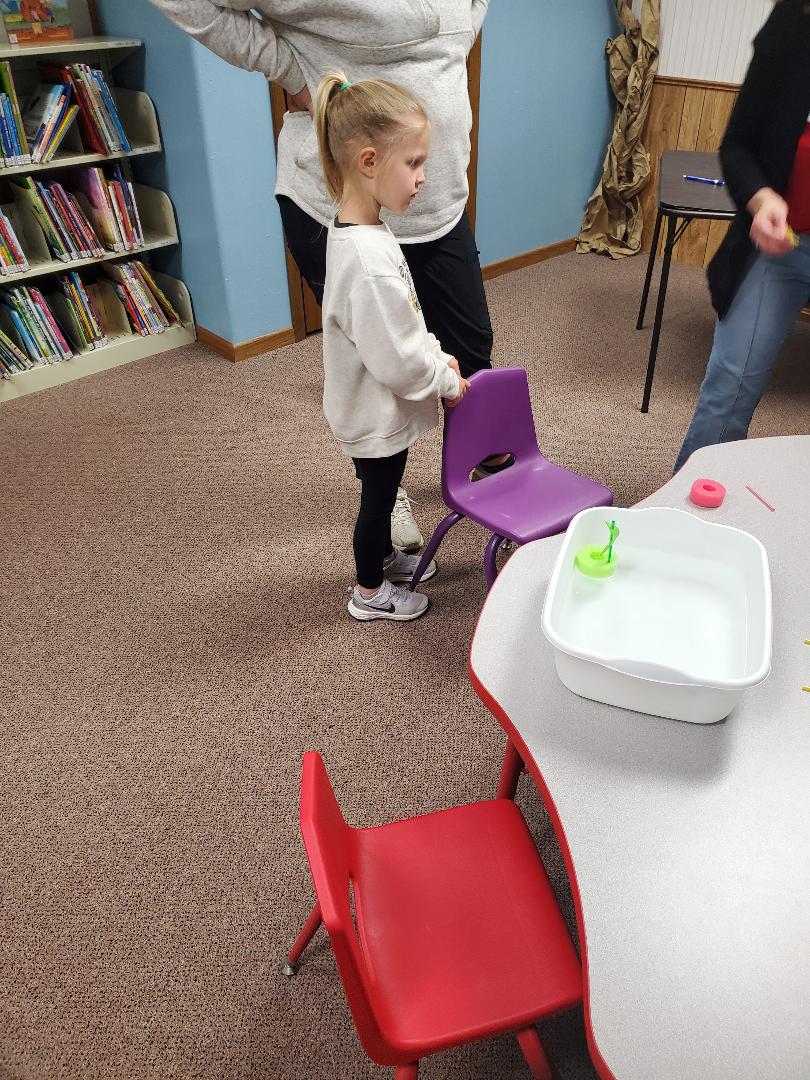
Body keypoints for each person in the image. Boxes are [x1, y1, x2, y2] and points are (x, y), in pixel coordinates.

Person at [149, 0, 500, 551]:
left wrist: (463, 28)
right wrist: (290, 71)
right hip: (337, 207)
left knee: (472, 344)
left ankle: (484, 462)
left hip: (440, 209)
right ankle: (384, 494)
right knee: (373, 372)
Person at [313, 72, 469, 622]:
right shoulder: (369, 261)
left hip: (370, 403)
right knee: (378, 502)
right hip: (372, 410)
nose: (423, 177)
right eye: (414, 162)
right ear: (369, 162)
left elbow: (402, 324)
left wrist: (436, 354)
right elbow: (399, 360)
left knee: (381, 491)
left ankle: (382, 562)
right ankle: (369, 592)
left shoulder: (363, 233)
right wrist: (444, 380)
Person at [675, 0, 810, 472]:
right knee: (727, 393)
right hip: (780, 249)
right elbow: (737, 146)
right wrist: (761, 197)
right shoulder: (793, 23)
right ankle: (686, 508)